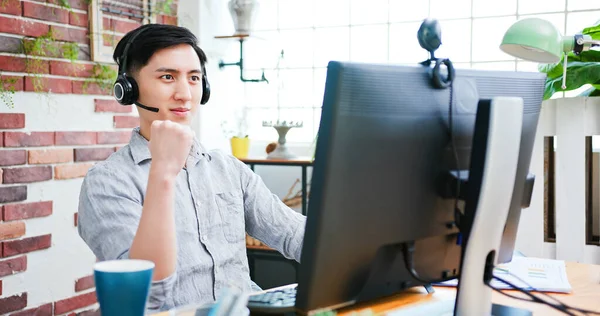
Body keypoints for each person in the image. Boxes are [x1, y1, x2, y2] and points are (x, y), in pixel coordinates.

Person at [77, 23, 306, 312]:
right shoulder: (107, 183)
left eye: (194, 78)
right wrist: (162, 170)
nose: (185, 94)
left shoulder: (227, 168)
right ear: (129, 89)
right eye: (168, 77)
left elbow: (294, 235)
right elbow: (148, 294)